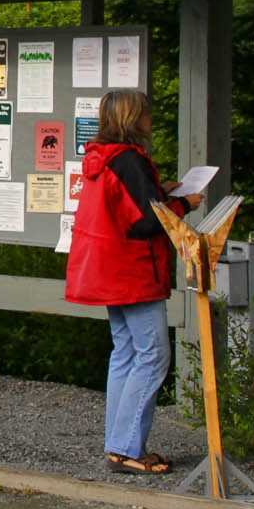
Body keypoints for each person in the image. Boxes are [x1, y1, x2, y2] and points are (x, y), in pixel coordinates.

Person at [64, 88, 202, 475]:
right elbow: (144, 221)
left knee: (124, 354)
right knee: (153, 355)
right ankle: (127, 449)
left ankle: (119, 445)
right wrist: (182, 205)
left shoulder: (102, 159)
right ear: (132, 119)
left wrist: (163, 192)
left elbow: (129, 204)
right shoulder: (130, 161)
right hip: (133, 272)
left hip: (109, 270)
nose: (150, 118)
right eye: (145, 112)